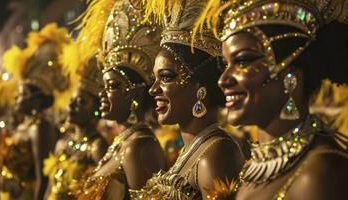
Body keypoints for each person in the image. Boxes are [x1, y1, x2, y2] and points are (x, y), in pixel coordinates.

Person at [195, 0, 348, 199]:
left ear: (291, 75)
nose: (223, 80)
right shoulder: (251, 168)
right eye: (225, 64)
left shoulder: (322, 173)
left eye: (242, 61)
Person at [130, 0, 245, 199]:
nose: (153, 89)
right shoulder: (191, 153)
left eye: (166, 77)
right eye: (154, 78)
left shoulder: (216, 153)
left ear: (200, 87)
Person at [69, 0, 166, 199]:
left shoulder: (138, 146)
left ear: (137, 94)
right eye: (103, 87)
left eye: (112, 86)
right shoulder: (122, 143)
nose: (101, 94)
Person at [0, 23, 74, 200]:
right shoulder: (26, 124)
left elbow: (43, 178)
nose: (16, 99)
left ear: (36, 99)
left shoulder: (41, 127)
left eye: (21, 94)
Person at [43, 43, 108, 199]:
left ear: (97, 110)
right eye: (72, 100)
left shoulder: (97, 147)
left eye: (81, 101)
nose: (71, 105)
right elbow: (50, 188)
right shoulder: (62, 143)